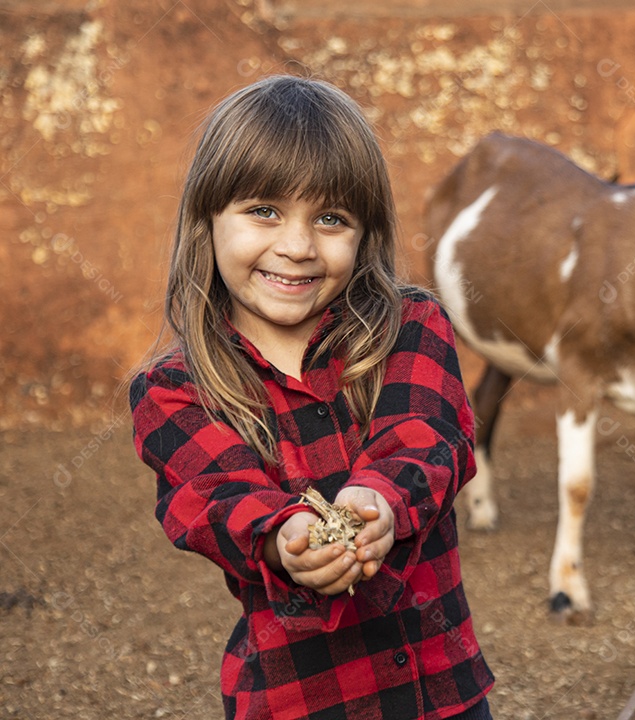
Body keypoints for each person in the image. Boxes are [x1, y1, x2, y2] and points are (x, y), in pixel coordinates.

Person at [129, 75, 494, 719]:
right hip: (298, 703)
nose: (296, 247)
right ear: (206, 219)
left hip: (444, 698)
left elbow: (426, 436)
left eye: (330, 218)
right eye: (264, 210)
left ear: (364, 234)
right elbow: (217, 502)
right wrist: (287, 537)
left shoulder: (410, 328)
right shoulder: (174, 392)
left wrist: (376, 501)